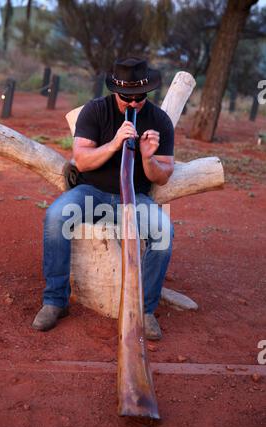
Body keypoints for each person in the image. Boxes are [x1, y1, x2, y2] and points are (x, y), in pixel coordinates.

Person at [32, 57, 174, 340]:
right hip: (92, 194)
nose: (133, 104)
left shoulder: (159, 119)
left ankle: (145, 310)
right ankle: (55, 301)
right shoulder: (95, 111)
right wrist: (114, 144)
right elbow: (82, 162)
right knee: (56, 217)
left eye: (140, 98)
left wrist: (147, 157)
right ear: (115, 92)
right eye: (126, 98)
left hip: (133, 198)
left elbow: (163, 175)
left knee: (163, 232)